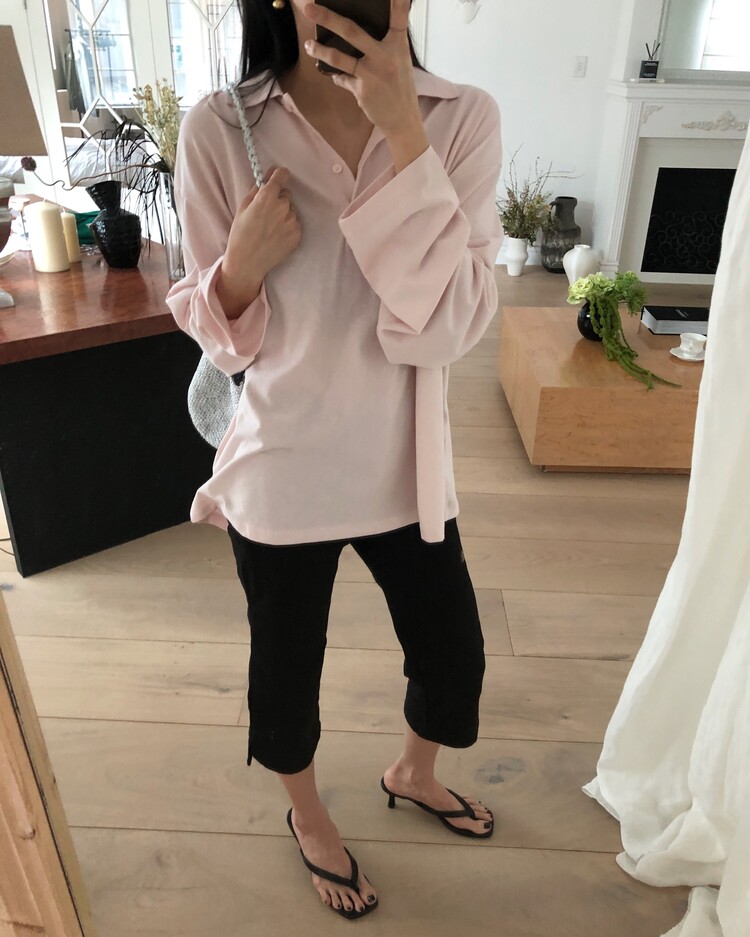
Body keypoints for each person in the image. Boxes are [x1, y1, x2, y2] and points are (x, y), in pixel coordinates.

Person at [165, 0, 503, 921]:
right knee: (285, 675)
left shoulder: (461, 119)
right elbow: (220, 339)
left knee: (454, 654)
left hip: (406, 462)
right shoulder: (218, 128)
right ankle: (309, 816)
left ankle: (411, 772)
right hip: (283, 470)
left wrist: (405, 136)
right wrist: (239, 268)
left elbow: (450, 324)